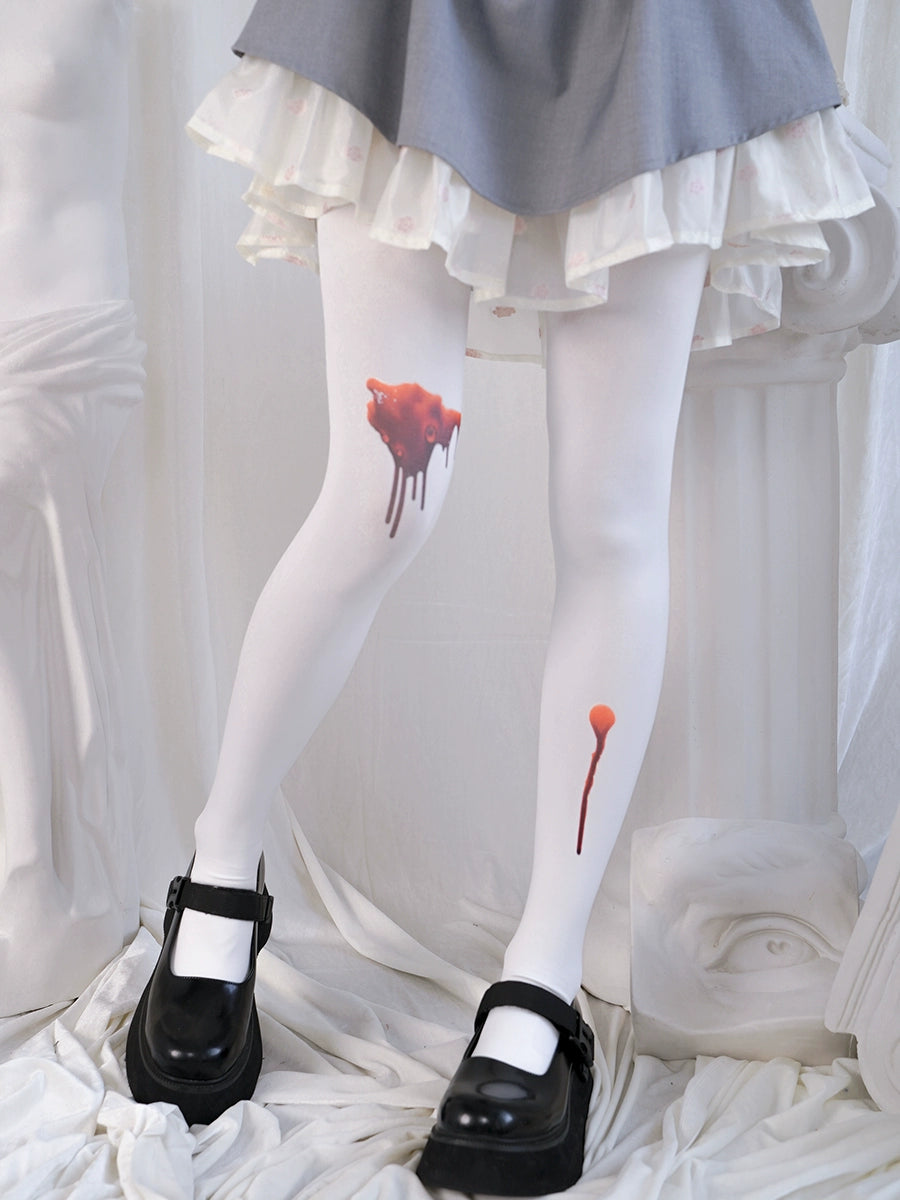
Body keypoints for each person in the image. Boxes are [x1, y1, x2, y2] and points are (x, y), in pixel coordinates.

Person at [125, 3, 873, 1193]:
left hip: (654, 37)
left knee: (610, 517)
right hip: (420, 28)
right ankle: (221, 868)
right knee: (384, 495)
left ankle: (542, 979)